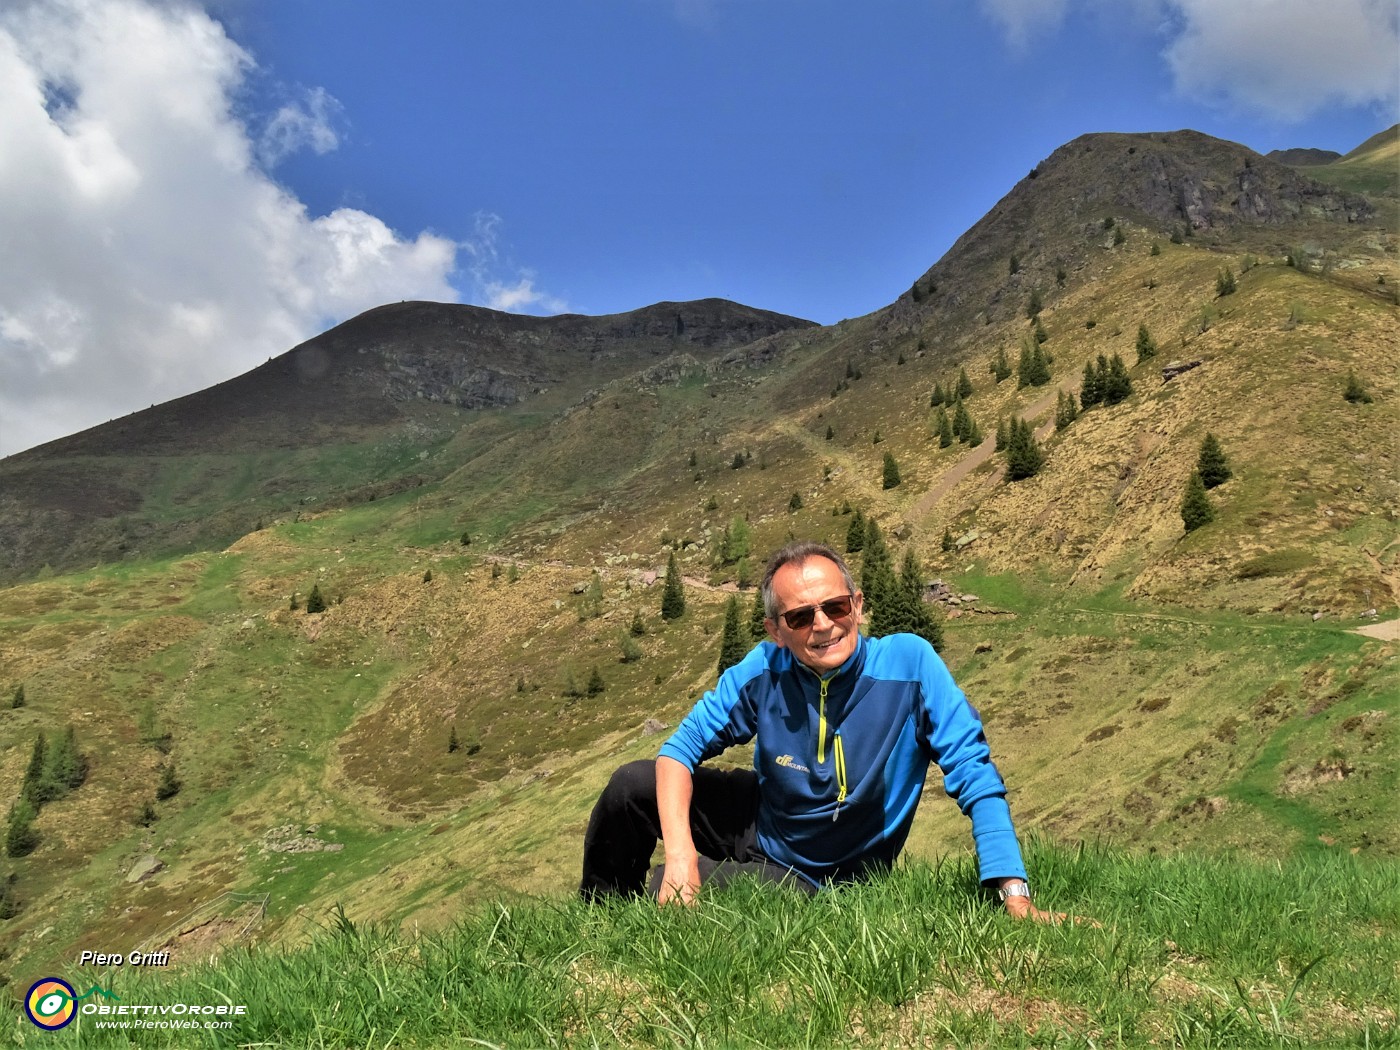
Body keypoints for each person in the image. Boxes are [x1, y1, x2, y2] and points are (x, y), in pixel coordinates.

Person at [580, 540, 1063, 922]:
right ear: (776, 630)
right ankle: (598, 918)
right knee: (631, 786)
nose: (823, 625)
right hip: (764, 815)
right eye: (800, 616)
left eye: (834, 607)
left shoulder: (911, 666)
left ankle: (643, 905)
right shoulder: (763, 669)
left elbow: (974, 772)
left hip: (817, 874)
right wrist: (683, 853)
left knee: (671, 892)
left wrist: (1014, 893)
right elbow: (678, 751)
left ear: (857, 604)